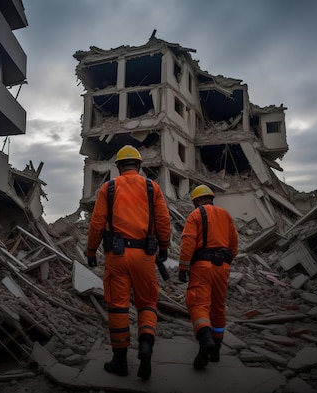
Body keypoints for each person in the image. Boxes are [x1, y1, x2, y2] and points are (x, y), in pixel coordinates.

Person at [86, 144, 171, 380]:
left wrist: (91, 251)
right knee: (147, 304)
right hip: (145, 257)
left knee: (118, 307)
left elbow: (96, 223)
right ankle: (146, 345)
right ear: (139, 165)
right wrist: (164, 247)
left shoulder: (109, 188)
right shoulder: (152, 188)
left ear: (120, 166)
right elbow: (164, 220)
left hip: (117, 256)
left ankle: (120, 361)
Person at [178, 184, 238, 369]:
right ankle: (216, 350)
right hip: (223, 267)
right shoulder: (225, 215)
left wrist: (183, 267)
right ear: (211, 198)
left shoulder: (196, 215)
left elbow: (188, 242)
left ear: (196, 201)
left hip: (202, 267)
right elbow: (234, 244)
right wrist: (226, 261)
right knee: (218, 306)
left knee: (198, 303)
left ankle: (205, 340)